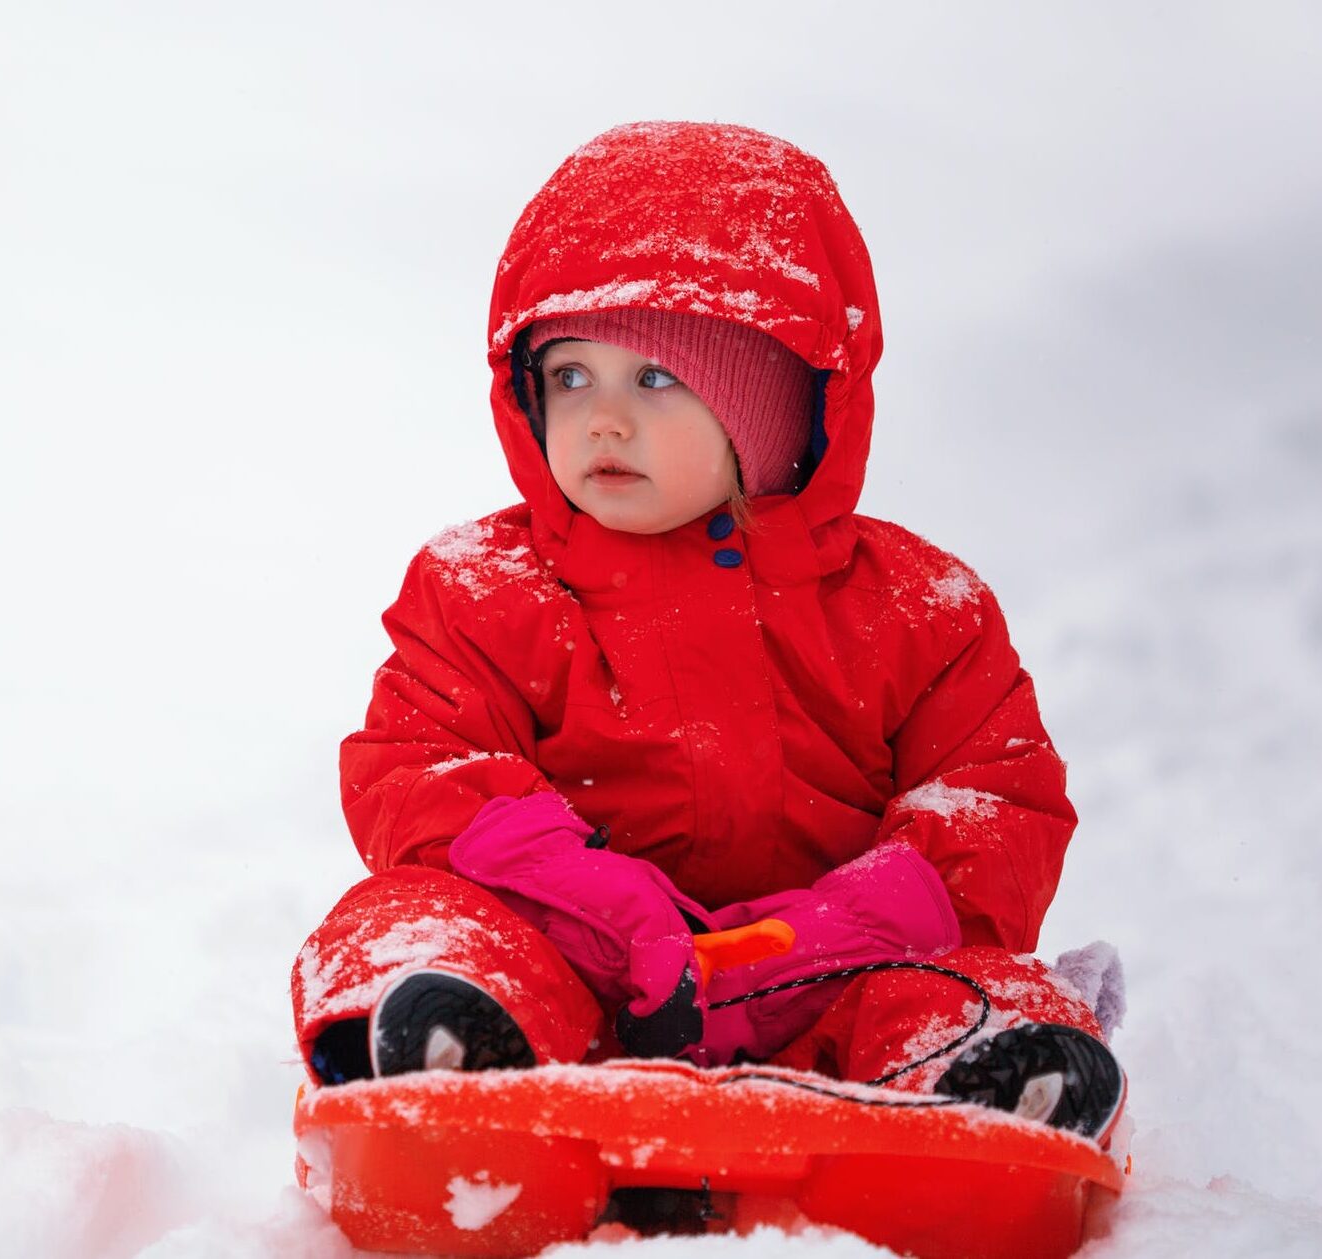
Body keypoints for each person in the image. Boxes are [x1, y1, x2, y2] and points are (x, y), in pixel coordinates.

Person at [291, 121, 1126, 1146]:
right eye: (569, 376)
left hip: (842, 977)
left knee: (972, 978)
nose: (602, 419)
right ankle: (452, 1052)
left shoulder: (920, 607)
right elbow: (423, 768)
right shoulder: (482, 588)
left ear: (779, 406)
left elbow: (995, 801)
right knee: (405, 919)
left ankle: (983, 1081)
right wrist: (596, 901)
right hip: (579, 970)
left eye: (654, 378)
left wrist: (834, 929)